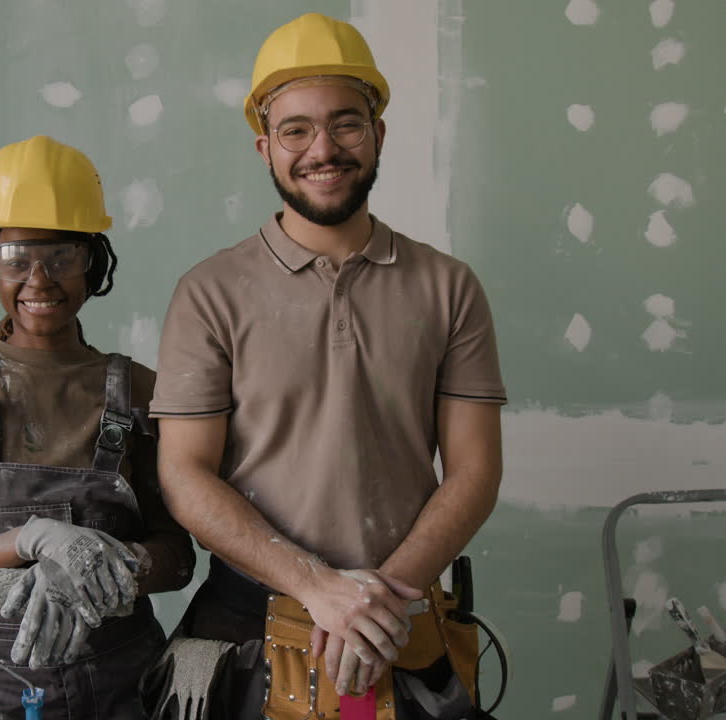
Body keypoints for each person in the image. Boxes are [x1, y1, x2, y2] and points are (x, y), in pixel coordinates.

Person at [149, 13, 506, 720]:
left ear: (378, 134)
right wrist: (318, 587)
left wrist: (378, 603)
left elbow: (474, 470)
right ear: (265, 147)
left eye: (346, 123)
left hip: (403, 624)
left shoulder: (448, 286)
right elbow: (184, 474)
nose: (323, 148)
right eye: (296, 129)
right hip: (249, 630)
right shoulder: (210, 292)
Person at [0, 135, 195, 719]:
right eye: (14, 259)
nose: (38, 279)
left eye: (62, 256)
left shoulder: (140, 389)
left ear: (95, 262)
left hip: (129, 694)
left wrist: (95, 569)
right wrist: (30, 541)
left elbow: (178, 556)